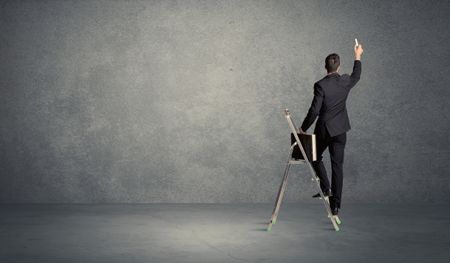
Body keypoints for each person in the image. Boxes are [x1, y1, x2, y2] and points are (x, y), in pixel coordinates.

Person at [298, 41, 364, 216]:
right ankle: (336, 206)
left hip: (324, 130)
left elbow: (314, 111)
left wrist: (303, 128)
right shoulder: (345, 81)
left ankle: (326, 188)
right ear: (339, 66)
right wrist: (358, 55)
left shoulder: (320, 85)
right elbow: (356, 75)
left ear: (324, 67)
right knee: (338, 167)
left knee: (314, 156)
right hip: (340, 130)